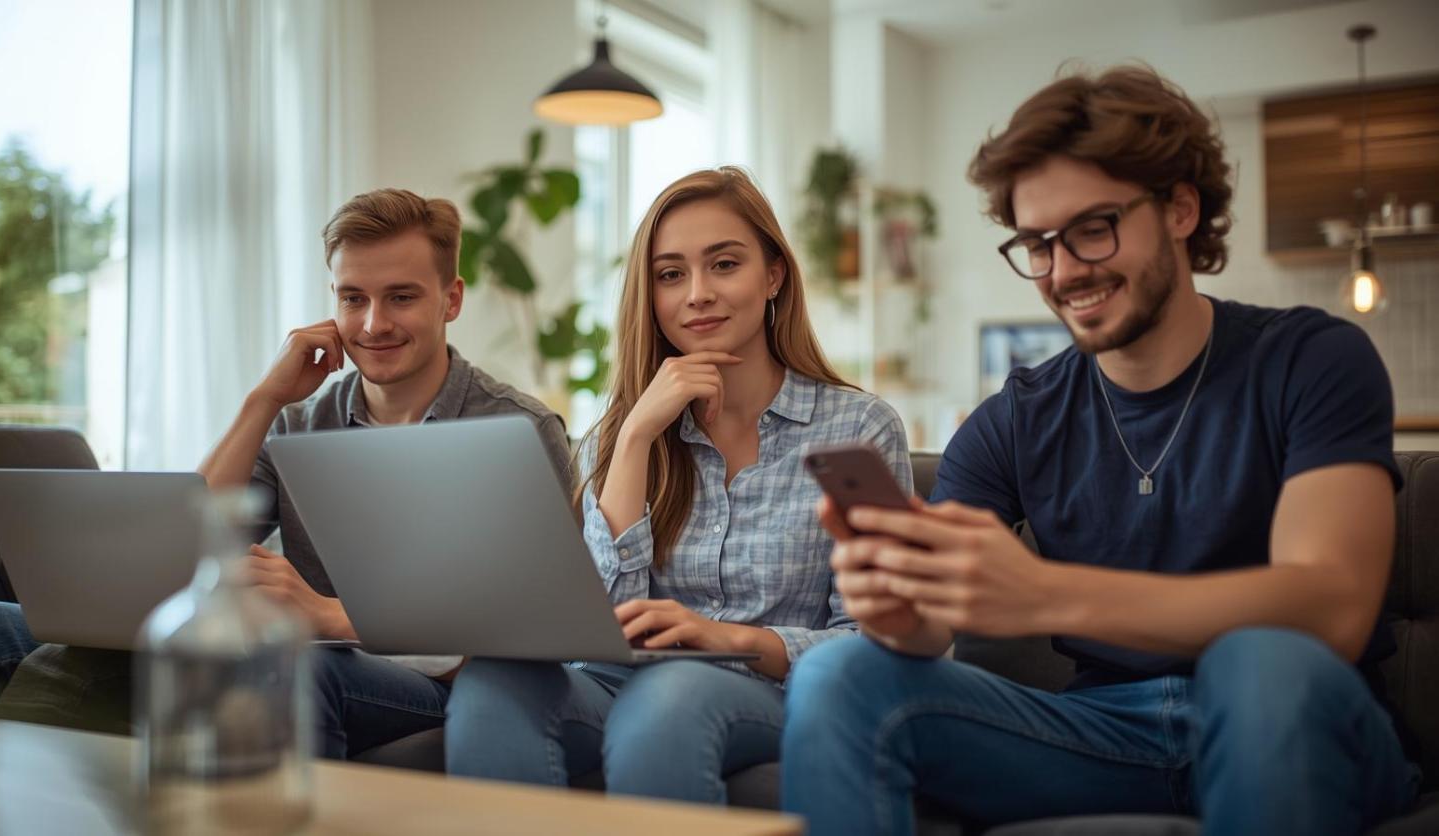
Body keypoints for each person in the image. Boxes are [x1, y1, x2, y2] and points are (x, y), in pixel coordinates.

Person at [781, 66, 1420, 836]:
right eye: (1036, 244)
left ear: (1181, 208)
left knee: (1260, 663)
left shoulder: (1313, 359)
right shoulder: (1012, 421)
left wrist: (1047, 592)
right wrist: (895, 608)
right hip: (1101, 738)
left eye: (1092, 229)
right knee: (838, 672)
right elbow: (929, 630)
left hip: (1304, 720)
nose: (1063, 271)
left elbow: (1330, 609)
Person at [0, 188, 573, 762]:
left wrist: (326, 613)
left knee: (293, 670)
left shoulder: (518, 428)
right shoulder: (301, 420)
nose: (373, 324)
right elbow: (191, 539)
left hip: (410, 680)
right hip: (278, 647)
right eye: (352, 298)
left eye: (401, 297)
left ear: (451, 299)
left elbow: (524, 634)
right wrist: (264, 399)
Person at [444, 167, 911, 804]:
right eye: (670, 274)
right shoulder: (626, 432)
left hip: (770, 694)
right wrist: (635, 437)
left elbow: (877, 637)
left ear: (772, 276)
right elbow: (597, 627)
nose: (697, 294)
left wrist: (737, 641)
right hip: (618, 685)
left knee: (675, 696)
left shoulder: (858, 428)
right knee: (494, 682)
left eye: (724, 264)